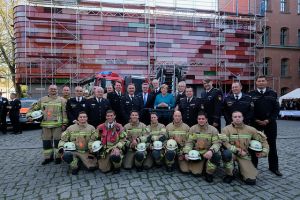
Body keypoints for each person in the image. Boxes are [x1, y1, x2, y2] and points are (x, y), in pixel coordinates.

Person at [221, 111, 269, 185]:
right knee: (226, 154)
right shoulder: (226, 129)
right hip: (232, 153)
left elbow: (263, 140)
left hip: (245, 155)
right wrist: (237, 150)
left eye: (239, 117)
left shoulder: (251, 129)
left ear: (243, 118)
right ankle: (230, 174)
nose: (237, 118)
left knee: (251, 181)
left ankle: (242, 170)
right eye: (235, 117)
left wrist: (263, 153)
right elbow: (225, 143)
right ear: (232, 118)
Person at [249, 75, 282, 176]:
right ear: (256, 83)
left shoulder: (273, 94)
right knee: (254, 144)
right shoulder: (251, 94)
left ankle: (274, 167)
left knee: (272, 145)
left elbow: (276, 109)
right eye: (259, 81)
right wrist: (255, 119)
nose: (261, 82)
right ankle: (253, 167)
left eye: (263, 81)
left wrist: (268, 120)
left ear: (266, 82)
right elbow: (249, 110)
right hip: (255, 123)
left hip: (270, 123)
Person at [27, 85, 68, 165]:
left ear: (57, 90)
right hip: (45, 126)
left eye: (54, 89)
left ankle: (58, 157)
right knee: (46, 143)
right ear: (48, 90)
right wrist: (29, 116)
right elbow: (32, 109)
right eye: (51, 89)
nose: (53, 90)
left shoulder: (62, 100)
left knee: (57, 143)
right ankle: (48, 158)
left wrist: (64, 123)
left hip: (58, 125)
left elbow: (64, 113)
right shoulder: (42, 100)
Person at [183, 112, 221, 182]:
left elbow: (217, 143)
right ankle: (203, 165)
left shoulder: (213, 130)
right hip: (198, 153)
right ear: (197, 120)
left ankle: (209, 173)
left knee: (216, 155)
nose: (201, 120)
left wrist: (211, 151)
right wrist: (186, 152)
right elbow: (190, 142)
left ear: (206, 119)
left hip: (208, 152)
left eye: (203, 119)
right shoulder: (193, 129)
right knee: (196, 173)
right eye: (199, 119)